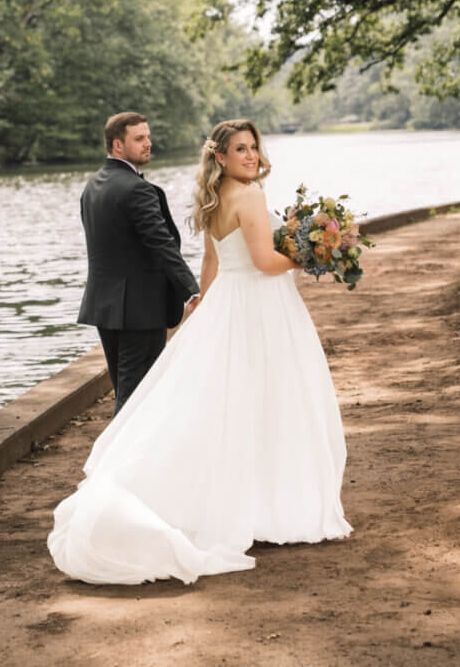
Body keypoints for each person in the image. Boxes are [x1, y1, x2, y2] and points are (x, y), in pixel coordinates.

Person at [48, 118, 352, 585]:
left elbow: (212, 264)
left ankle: (243, 500)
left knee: (226, 405)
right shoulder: (249, 196)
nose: (251, 156)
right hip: (260, 309)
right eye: (241, 149)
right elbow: (267, 263)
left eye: (254, 147)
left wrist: (202, 315)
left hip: (227, 305)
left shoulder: (211, 200)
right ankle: (268, 504)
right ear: (222, 157)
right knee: (273, 400)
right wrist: (318, 255)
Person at [77, 111, 200, 415]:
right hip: (140, 310)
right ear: (117, 145)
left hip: (105, 306)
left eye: (148, 136)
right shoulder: (138, 189)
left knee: (126, 387)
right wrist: (191, 290)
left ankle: (121, 457)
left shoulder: (93, 186)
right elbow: (162, 245)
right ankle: (118, 461)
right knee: (137, 395)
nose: (148, 143)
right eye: (139, 138)